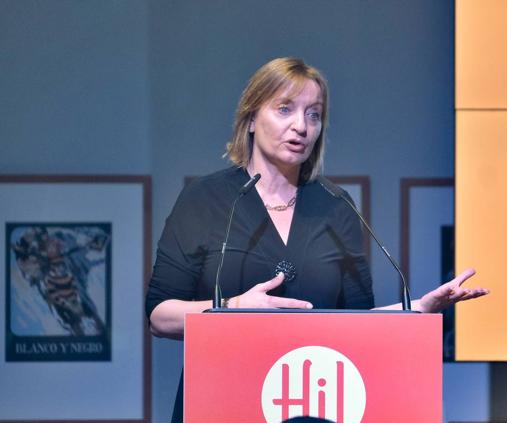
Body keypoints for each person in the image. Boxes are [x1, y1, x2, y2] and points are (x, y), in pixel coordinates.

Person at [145, 57, 489, 423]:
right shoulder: (205, 199)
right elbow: (158, 317)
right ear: (249, 119)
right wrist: (232, 309)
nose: (301, 126)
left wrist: (418, 309)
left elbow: (358, 322)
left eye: (314, 114)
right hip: (220, 405)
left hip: (317, 408)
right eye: (284, 109)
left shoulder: (337, 206)